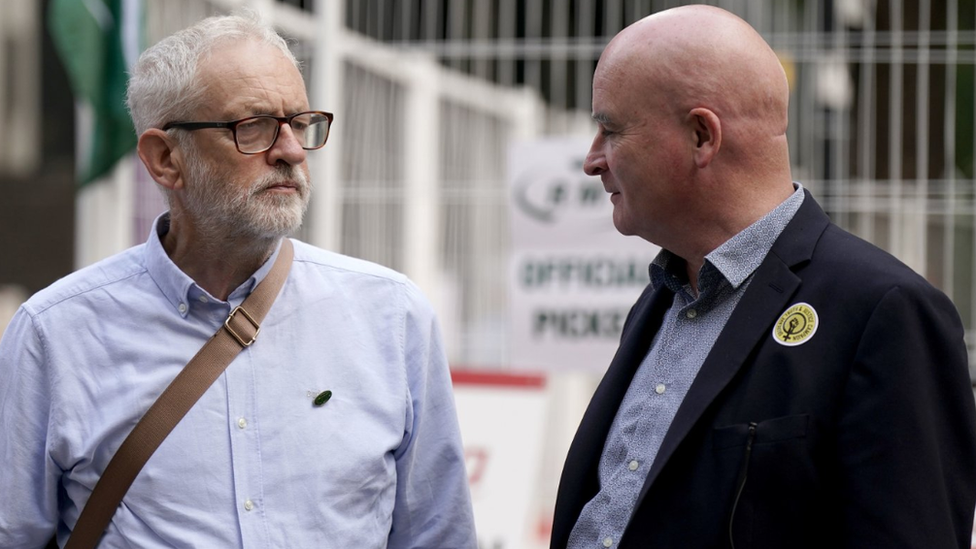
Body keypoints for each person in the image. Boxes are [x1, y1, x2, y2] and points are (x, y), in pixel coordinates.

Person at [0, 13, 476, 549]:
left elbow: (439, 534)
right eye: (252, 126)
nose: (292, 151)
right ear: (165, 159)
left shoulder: (392, 314)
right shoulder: (55, 333)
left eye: (299, 123)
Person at [550, 5, 976, 549]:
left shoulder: (882, 312)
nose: (591, 160)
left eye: (610, 130)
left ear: (703, 136)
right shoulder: (665, 298)